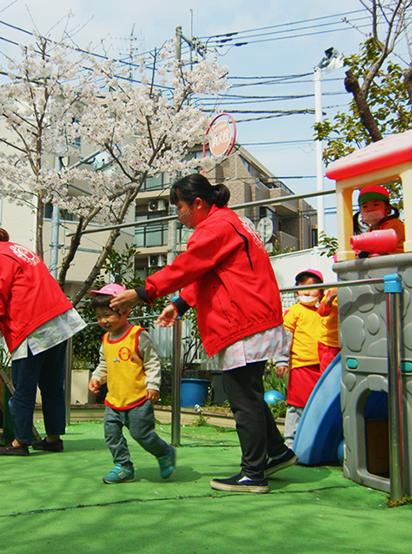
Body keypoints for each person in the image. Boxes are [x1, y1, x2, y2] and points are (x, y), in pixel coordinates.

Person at [110, 173, 295, 494]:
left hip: (242, 318)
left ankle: (253, 473)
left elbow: (188, 265)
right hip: (253, 312)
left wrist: (142, 291)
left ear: (198, 203)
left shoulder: (213, 228)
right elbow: (212, 272)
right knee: (248, 392)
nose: (178, 215)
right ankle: (277, 452)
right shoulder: (229, 222)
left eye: (180, 208)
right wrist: (180, 303)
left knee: (242, 398)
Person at [0, 224, 86, 456]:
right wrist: (0, 322)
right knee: (52, 385)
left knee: (23, 388)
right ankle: (53, 438)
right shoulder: (14, 248)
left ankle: (20, 442)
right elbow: (20, 289)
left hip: (31, 326)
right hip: (58, 320)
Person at [88, 284, 176, 484]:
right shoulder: (106, 339)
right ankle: (123, 466)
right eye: (99, 316)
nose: (103, 321)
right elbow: (105, 363)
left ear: (125, 311)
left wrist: (153, 385)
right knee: (111, 435)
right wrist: (96, 378)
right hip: (114, 400)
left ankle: (164, 453)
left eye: (108, 315)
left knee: (141, 434)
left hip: (138, 398)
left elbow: (152, 361)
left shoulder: (137, 335)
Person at [276, 270, 324, 446]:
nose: (306, 292)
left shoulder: (323, 312)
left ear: (321, 291)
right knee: (297, 405)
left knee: (317, 405)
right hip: (301, 366)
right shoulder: (294, 312)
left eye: (312, 288)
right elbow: (284, 337)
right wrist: (281, 360)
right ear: (296, 291)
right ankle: (291, 441)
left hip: (321, 367)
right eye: (302, 288)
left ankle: (313, 440)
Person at [353, 184, 405, 256]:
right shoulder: (371, 230)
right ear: (360, 212)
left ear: (387, 209)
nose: (370, 209)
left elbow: (381, 247)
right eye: (365, 206)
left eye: (376, 204)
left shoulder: (393, 225)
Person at [316, 287, 340, 373]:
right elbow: (321, 311)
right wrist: (330, 298)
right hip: (330, 343)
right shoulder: (333, 290)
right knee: (329, 374)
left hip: (347, 342)